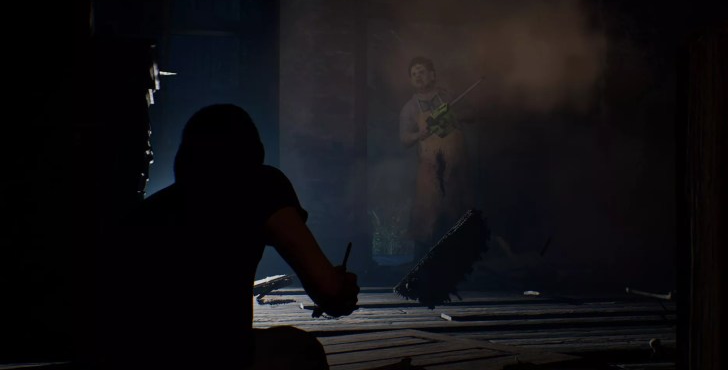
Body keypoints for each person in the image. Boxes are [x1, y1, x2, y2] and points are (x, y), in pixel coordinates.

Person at [98, 104, 359, 370]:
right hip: (213, 356)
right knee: (301, 350)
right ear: (254, 151)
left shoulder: (147, 213)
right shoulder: (261, 185)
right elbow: (329, 291)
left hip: (131, 356)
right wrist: (342, 288)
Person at [399, 56, 475, 261]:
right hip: (430, 171)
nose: (418, 77)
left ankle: (460, 262)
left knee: (458, 212)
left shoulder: (448, 96)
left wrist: (455, 116)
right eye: (414, 74)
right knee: (426, 217)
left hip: (457, 167)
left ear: (432, 75)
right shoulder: (410, 108)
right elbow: (404, 138)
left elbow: (472, 113)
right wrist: (419, 134)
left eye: (422, 72)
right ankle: (423, 265)